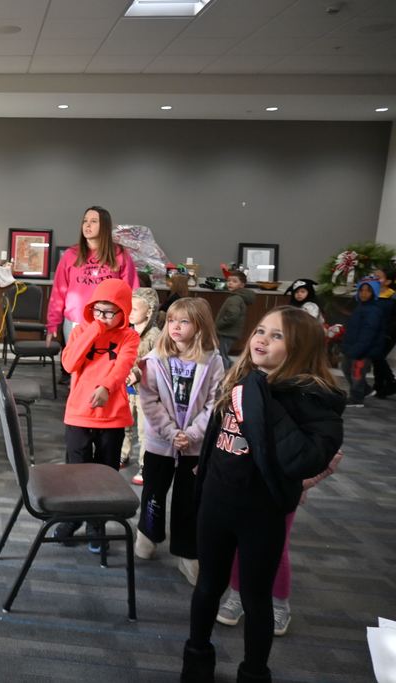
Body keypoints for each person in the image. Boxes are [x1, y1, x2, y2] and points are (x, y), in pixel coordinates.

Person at [182, 306, 344, 683]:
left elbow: (305, 457)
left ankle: (253, 672)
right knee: (208, 587)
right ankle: (196, 660)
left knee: (256, 599)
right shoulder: (240, 381)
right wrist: (203, 480)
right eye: (260, 331)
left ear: (301, 348)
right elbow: (214, 441)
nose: (261, 340)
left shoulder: (314, 400)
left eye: (277, 336)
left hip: (262, 513)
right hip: (217, 504)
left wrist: (259, 396)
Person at [135, 298, 224, 586]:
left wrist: (193, 435)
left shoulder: (213, 361)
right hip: (160, 443)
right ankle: (147, 536)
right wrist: (172, 433)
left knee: (190, 501)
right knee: (153, 492)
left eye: (183, 321)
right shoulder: (154, 359)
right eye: (171, 320)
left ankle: (188, 555)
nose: (175, 326)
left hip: (194, 448)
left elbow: (215, 403)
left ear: (200, 326)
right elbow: (149, 402)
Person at [216, 450, 343, 637]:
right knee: (240, 540)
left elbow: (332, 452)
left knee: (276, 546)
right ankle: (237, 595)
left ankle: (279, 604)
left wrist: (304, 482)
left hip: (283, 490)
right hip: (245, 483)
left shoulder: (311, 421)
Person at [55, 278, 140, 552]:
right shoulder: (82, 330)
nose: (103, 317)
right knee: (76, 472)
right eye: (98, 310)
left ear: (123, 312)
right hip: (79, 413)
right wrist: (94, 329)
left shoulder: (129, 336)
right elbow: (69, 363)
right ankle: (73, 517)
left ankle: (96, 524)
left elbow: (123, 366)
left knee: (105, 475)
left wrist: (105, 387)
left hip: (112, 416)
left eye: (109, 312)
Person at [46, 206, 139, 363]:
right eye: (85, 221)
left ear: (104, 226)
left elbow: (131, 291)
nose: (87, 225)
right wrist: (52, 324)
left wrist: (133, 323)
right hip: (76, 322)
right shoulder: (71, 255)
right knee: (76, 368)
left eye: (93, 221)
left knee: (103, 369)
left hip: (109, 323)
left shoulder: (120, 255)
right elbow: (58, 293)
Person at [121, 287, 161, 475]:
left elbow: (158, 363)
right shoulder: (126, 332)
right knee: (124, 426)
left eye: (135, 309)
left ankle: (145, 465)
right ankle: (122, 454)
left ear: (149, 311)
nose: (130, 313)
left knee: (144, 430)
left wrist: (138, 373)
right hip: (126, 389)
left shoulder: (155, 336)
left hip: (145, 392)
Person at [341, 278, 389, 407]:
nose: (364, 293)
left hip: (363, 349)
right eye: (361, 290)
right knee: (345, 367)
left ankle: (356, 398)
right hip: (354, 346)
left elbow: (369, 332)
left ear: (374, 292)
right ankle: (365, 389)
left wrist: (358, 349)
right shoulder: (360, 307)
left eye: (368, 291)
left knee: (357, 373)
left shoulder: (374, 310)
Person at [214, 271, 254, 368]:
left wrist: (218, 324)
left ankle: (226, 373)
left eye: (234, 281)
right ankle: (231, 367)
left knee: (221, 355)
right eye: (229, 281)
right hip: (231, 333)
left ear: (242, 285)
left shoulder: (235, 299)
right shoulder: (238, 297)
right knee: (224, 353)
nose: (230, 283)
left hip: (226, 332)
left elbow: (232, 315)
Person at [370, 267, 396, 397]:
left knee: (378, 356)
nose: (374, 279)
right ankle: (379, 385)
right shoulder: (372, 294)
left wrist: (387, 333)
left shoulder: (392, 297)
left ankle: (391, 383)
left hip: (388, 333)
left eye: (378, 277)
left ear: (388, 281)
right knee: (376, 358)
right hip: (374, 331)